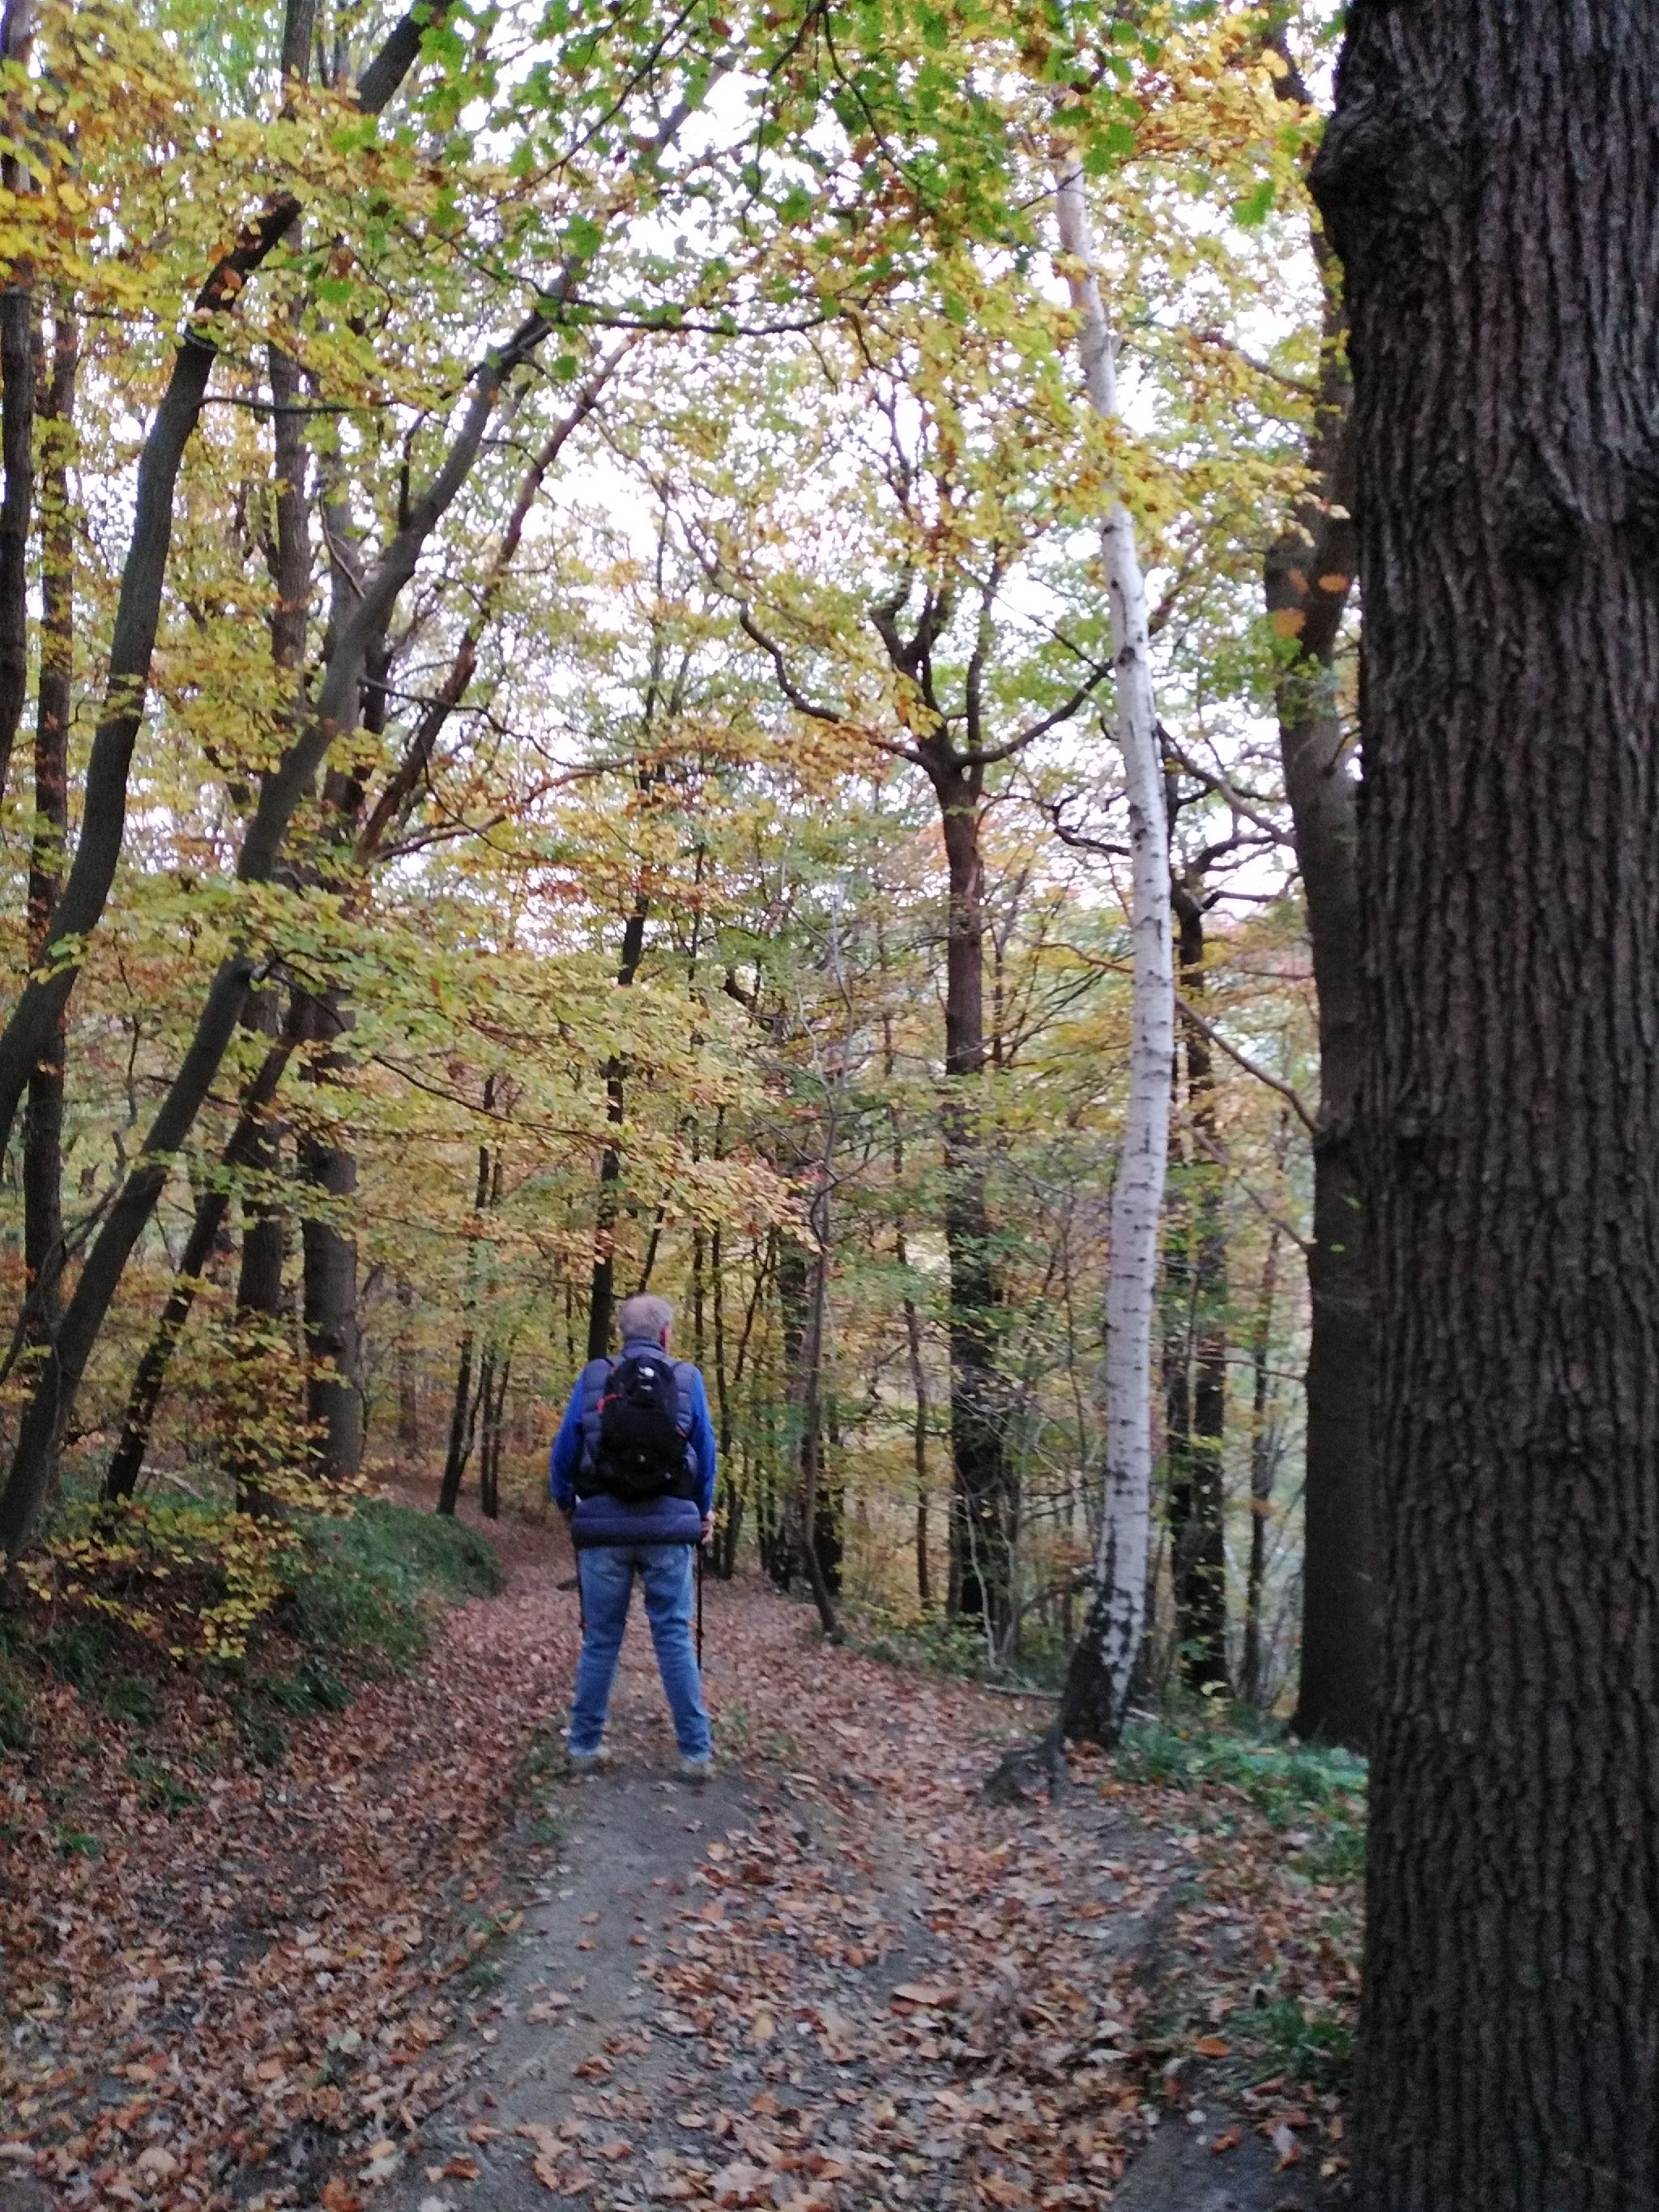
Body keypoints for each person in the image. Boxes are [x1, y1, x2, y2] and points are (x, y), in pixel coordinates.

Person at [548, 1293, 715, 1780]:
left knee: (601, 1640)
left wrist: (567, 1504)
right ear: (665, 1335)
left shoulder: (595, 1376)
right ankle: (695, 1754)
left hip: (603, 1528)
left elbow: (565, 1450)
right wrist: (700, 1512)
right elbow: (705, 1451)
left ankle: (583, 1747)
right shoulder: (686, 1378)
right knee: (674, 1637)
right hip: (669, 1530)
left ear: (623, 1335)